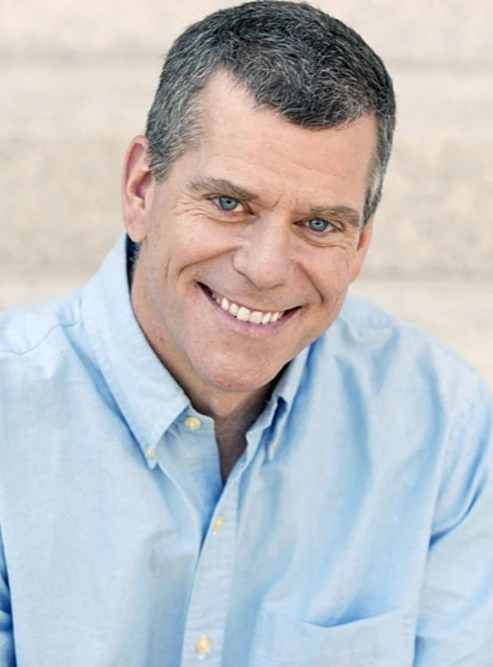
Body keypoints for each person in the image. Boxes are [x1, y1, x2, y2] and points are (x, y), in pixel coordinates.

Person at [0, 1, 492, 665]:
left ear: (360, 244)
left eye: (319, 224)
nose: (265, 268)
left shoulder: (442, 429)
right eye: (229, 203)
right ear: (141, 190)